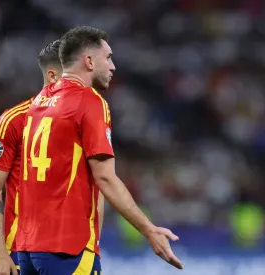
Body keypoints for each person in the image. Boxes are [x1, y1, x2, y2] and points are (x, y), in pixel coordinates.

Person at [16, 26, 183, 275]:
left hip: (28, 247)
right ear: (89, 61)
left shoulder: (39, 102)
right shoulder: (90, 102)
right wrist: (149, 229)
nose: (113, 66)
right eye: (108, 57)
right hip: (66, 248)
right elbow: (104, 176)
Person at [0, 39, 63, 275]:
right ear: (53, 77)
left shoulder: (86, 121)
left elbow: (96, 187)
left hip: (73, 253)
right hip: (20, 253)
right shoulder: (14, 120)